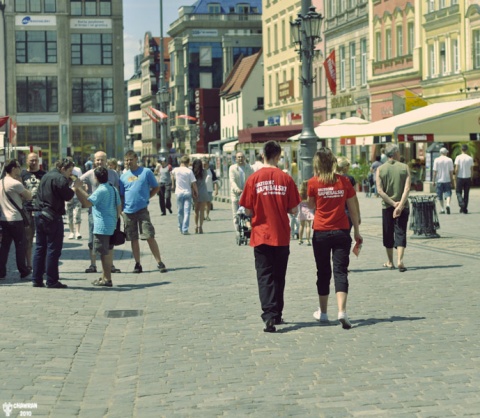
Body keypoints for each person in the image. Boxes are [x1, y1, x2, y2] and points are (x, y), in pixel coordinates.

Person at [239, 141, 301, 333]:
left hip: (260, 234)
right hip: (281, 234)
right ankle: (277, 313)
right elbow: (293, 209)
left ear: (263, 155)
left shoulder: (253, 179)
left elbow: (247, 209)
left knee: (264, 275)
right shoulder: (286, 179)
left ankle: (268, 315)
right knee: (279, 275)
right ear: (277, 156)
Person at [308, 148, 362, 330]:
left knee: (323, 272)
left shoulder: (313, 183)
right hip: (341, 231)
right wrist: (357, 231)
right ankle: (342, 311)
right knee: (340, 271)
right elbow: (353, 209)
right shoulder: (344, 182)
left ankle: (323, 313)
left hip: (321, 232)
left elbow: (311, 206)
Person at [120, 150, 167, 273]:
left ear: (136, 159)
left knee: (149, 235)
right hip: (128, 211)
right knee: (133, 238)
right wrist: (121, 210)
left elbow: (156, 187)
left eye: (131, 159)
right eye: (127, 160)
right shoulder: (123, 176)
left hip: (142, 210)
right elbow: (121, 195)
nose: (129, 162)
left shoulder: (146, 172)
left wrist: (147, 197)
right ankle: (137, 263)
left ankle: (159, 262)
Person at [73, 167, 121, 287]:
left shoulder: (101, 190)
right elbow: (119, 207)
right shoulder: (113, 189)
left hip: (101, 226)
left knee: (103, 254)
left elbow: (88, 202)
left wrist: (78, 189)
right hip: (112, 224)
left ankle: (107, 279)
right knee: (108, 252)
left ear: (96, 178)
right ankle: (104, 276)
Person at [32, 158, 75, 288]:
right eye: (69, 171)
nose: (70, 174)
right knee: (53, 249)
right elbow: (68, 195)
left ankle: (37, 279)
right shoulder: (60, 178)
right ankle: (52, 280)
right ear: (63, 169)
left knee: (40, 248)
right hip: (52, 216)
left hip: (39, 214)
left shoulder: (46, 175)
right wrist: (74, 187)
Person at [80, 151, 120, 274]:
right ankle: (93, 265)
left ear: (106, 161)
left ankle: (110, 265)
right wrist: (85, 192)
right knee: (92, 239)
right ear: (94, 160)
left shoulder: (113, 174)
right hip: (94, 213)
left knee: (110, 241)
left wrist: (118, 213)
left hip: (109, 213)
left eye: (102, 159)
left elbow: (118, 190)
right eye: (97, 159)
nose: (99, 162)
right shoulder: (90, 174)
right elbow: (76, 182)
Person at [376, 144, 411, 273]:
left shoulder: (380, 169)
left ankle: (390, 261)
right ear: (396, 153)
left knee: (388, 233)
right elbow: (407, 188)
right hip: (403, 206)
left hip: (387, 207)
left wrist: (392, 203)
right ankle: (400, 260)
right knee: (401, 232)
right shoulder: (404, 167)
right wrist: (400, 205)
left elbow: (380, 190)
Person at [0, 159, 33, 280]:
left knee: (4, 246)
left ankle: (1, 271)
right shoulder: (15, 183)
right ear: (13, 169)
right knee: (20, 245)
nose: (20, 168)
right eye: (18, 166)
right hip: (16, 218)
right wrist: (22, 185)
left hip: (4, 218)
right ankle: (23, 270)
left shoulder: (1, 182)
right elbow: (29, 196)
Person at [21, 152, 46, 271]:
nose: (34, 162)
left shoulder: (44, 175)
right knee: (28, 239)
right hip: (26, 210)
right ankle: (29, 264)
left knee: (43, 239)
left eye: (36, 160)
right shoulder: (22, 175)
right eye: (31, 160)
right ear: (27, 161)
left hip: (41, 209)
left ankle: (43, 264)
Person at [171, 155, 198, 235]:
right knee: (187, 212)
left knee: (180, 212)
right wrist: (196, 192)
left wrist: (173, 184)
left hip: (179, 193)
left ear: (180, 162)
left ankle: (180, 226)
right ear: (188, 162)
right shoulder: (189, 171)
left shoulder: (176, 170)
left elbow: (171, 175)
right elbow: (194, 183)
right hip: (187, 193)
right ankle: (185, 229)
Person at [229, 151, 254, 230]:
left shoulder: (249, 168)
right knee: (236, 215)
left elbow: (252, 180)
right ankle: (237, 230)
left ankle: (248, 227)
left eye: (242, 157)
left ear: (245, 158)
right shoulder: (232, 168)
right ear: (236, 159)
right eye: (238, 157)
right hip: (236, 194)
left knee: (247, 213)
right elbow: (232, 181)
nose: (240, 159)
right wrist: (237, 189)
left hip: (247, 194)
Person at [336, 156, 361, 231]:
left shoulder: (331, 178)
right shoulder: (349, 178)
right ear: (345, 167)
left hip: (335, 212)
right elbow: (354, 199)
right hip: (347, 211)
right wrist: (358, 215)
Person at [432, 147, 454, 214]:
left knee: (440, 195)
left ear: (440, 153)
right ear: (446, 153)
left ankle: (442, 209)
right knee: (448, 193)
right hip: (447, 180)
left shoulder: (436, 160)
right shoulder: (449, 160)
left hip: (439, 180)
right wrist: (452, 181)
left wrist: (433, 180)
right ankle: (448, 204)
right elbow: (451, 172)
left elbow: (435, 171)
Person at [65, 158, 83, 239]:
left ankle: (77, 232)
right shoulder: (64, 171)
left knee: (77, 214)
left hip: (77, 195)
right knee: (69, 215)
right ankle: (71, 232)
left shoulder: (77, 170)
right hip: (67, 196)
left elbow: (80, 180)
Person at [454, 144, 474, 214]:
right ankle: (464, 208)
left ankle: (461, 203)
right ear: (467, 150)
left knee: (458, 192)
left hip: (460, 177)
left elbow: (456, 168)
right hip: (467, 177)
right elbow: (471, 169)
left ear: (461, 149)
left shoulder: (458, 157)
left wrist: (455, 176)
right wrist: (471, 177)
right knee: (466, 193)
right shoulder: (470, 158)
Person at [192, 159, 209, 234]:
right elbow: (207, 167)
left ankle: (196, 226)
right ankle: (200, 227)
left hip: (195, 192)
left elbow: (192, 183)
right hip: (203, 192)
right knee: (202, 211)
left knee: (196, 210)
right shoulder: (204, 172)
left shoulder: (192, 173)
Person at [297, 181, 314, 246]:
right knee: (308, 226)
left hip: (302, 210)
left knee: (301, 225)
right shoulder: (309, 192)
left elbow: (298, 201)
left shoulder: (300, 193)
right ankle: (307, 240)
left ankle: (300, 239)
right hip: (309, 210)